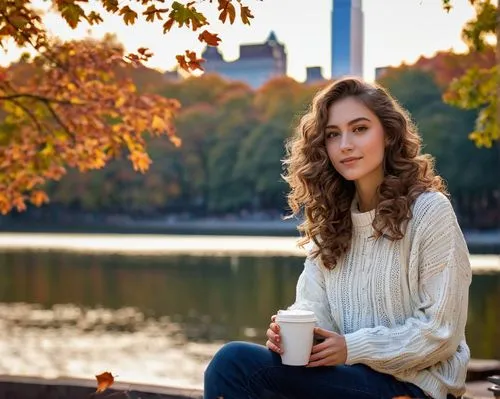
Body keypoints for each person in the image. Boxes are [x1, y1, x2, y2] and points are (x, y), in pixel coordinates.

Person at [203, 77, 472, 399]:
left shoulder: (430, 211)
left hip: (414, 387)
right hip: (347, 378)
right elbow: (313, 308)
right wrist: (289, 334)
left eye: (359, 129)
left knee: (235, 363)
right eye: (333, 134)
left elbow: (441, 334)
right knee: (241, 369)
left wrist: (351, 348)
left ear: (388, 135)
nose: (345, 144)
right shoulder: (333, 220)